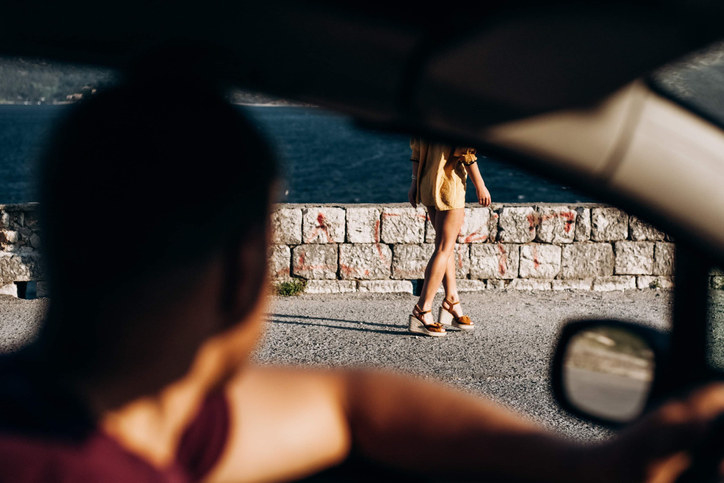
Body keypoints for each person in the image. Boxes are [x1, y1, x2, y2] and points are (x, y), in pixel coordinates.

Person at [1, 61, 724, 483]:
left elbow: (351, 399)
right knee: (449, 248)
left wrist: (589, 469)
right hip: (448, 196)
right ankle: (433, 308)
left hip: (425, 190)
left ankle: (439, 307)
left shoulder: (165, 413)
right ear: (243, 270)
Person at [407, 138, 491, 337]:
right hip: (449, 187)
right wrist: (481, 185)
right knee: (444, 249)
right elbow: (466, 153)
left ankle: (451, 301)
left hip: (427, 185)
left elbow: (416, 153)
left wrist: (414, 185)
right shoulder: (454, 115)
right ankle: (423, 309)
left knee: (446, 246)